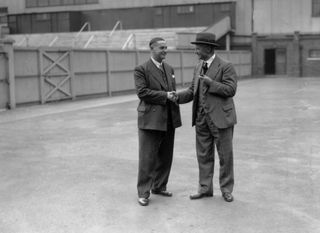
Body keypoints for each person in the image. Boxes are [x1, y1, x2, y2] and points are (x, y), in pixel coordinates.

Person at [177, 32, 237, 202]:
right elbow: (191, 91)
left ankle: (226, 189)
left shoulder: (226, 66)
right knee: (203, 155)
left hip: (221, 119)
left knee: (225, 156)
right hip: (201, 119)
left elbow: (231, 90)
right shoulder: (198, 67)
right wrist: (175, 97)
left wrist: (211, 83)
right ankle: (205, 189)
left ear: (209, 48)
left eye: (198, 47)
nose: (196, 51)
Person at [134, 37, 181, 206]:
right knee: (147, 158)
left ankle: (159, 186)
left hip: (168, 118)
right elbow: (142, 93)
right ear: (151, 49)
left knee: (166, 156)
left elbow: (171, 90)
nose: (165, 50)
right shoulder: (142, 69)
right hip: (150, 120)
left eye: (166, 47)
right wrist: (165, 95)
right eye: (161, 47)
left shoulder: (169, 68)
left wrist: (174, 95)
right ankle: (143, 192)